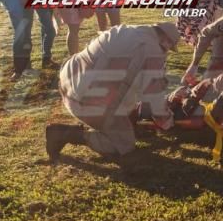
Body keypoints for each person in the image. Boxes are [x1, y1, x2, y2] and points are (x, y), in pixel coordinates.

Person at [45, 23, 180, 162]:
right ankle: (64, 134)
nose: (166, 52)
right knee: (124, 145)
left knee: (123, 92)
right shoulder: (153, 50)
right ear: (165, 41)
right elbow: (155, 97)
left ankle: (119, 125)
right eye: (168, 48)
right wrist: (167, 121)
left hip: (67, 81)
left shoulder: (123, 29)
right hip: (86, 100)